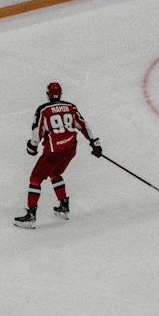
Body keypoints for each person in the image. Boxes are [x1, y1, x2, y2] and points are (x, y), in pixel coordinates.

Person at [14, 80, 101, 227]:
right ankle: (64, 207)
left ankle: (31, 215)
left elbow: (37, 131)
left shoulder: (43, 110)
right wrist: (94, 143)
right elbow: (83, 125)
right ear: (60, 94)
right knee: (55, 173)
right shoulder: (70, 107)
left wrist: (32, 147)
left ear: (48, 94)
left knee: (35, 178)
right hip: (70, 149)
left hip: (53, 151)